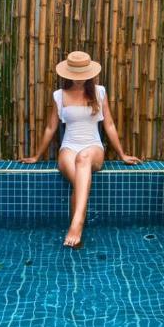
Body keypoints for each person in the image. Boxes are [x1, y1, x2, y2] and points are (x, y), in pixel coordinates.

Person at [21, 51, 141, 247]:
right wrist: (36, 156)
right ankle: (76, 230)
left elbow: (109, 124)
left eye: (82, 76)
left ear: (89, 73)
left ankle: (76, 223)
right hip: (68, 147)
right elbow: (51, 127)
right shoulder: (59, 96)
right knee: (79, 177)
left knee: (83, 158)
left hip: (93, 147)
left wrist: (122, 154)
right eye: (75, 76)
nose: (78, 80)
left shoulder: (100, 92)